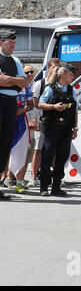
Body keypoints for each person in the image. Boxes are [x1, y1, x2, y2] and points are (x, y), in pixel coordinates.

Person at [38, 63, 78, 196]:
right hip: (52, 127)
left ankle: (56, 187)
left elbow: (75, 111)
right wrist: (53, 106)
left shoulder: (72, 90)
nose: (73, 77)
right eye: (71, 74)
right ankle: (44, 187)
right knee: (47, 155)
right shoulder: (51, 88)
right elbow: (40, 104)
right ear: (63, 74)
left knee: (62, 157)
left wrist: (75, 128)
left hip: (66, 128)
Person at [0, 29, 28, 200]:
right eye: (10, 43)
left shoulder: (16, 60)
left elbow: (24, 83)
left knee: (5, 143)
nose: (13, 46)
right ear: (1, 42)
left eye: (15, 43)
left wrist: (8, 79)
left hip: (11, 103)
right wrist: (14, 81)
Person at [28, 57, 60, 188]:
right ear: (48, 68)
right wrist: (35, 120)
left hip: (56, 122)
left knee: (55, 151)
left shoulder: (60, 84)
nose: (56, 69)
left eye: (58, 67)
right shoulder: (40, 83)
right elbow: (35, 104)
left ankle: (56, 176)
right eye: (54, 67)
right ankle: (34, 177)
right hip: (42, 121)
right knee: (38, 149)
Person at [7, 64, 36, 194]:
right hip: (6, 118)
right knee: (5, 149)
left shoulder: (27, 86)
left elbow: (31, 105)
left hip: (21, 121)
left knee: (22, 149)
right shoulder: (5, 84)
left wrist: (23, 110)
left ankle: (19, 181)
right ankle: (7, 177)